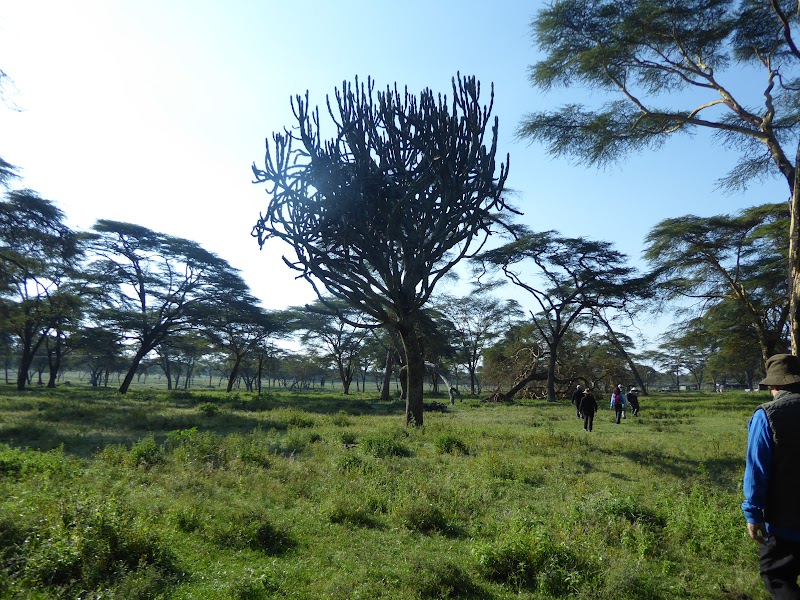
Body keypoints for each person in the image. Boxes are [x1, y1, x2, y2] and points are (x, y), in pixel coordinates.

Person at [742, 353, 800, 598]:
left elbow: (757, 470)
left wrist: (753, 513)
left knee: (775, 574)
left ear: (774, 385)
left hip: (786, 522)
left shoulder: (767, 415)